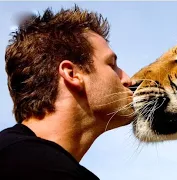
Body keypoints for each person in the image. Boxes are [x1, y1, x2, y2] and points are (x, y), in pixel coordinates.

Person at [0, 5, 136, 180]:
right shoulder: (34, 166)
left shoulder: (16, 155)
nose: (128, 79)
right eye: (111, 65)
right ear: (72, 74)